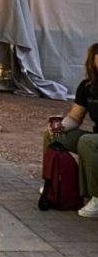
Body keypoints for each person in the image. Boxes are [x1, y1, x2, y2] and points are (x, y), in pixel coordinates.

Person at [45, 43, 98, 218]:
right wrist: (59, 127)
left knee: (87, 142)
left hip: (92, 139)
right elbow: (75, 118)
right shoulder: (87, 86)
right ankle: (52, 182)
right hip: (95, 135)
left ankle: (96, 196)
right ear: (93, 61)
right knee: (53, 134)